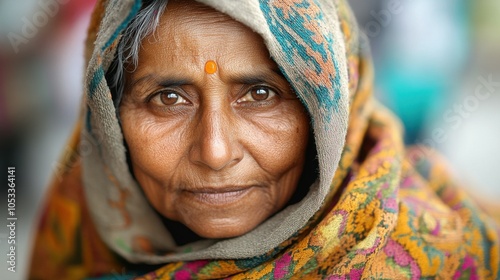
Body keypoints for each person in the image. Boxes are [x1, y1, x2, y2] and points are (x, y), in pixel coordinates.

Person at [29, 0, 500, 279]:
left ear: (329, 110)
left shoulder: (443, 261)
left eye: (260, 94)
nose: (215, 152)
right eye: (168, 98)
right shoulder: (78, 226)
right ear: (109, 118)